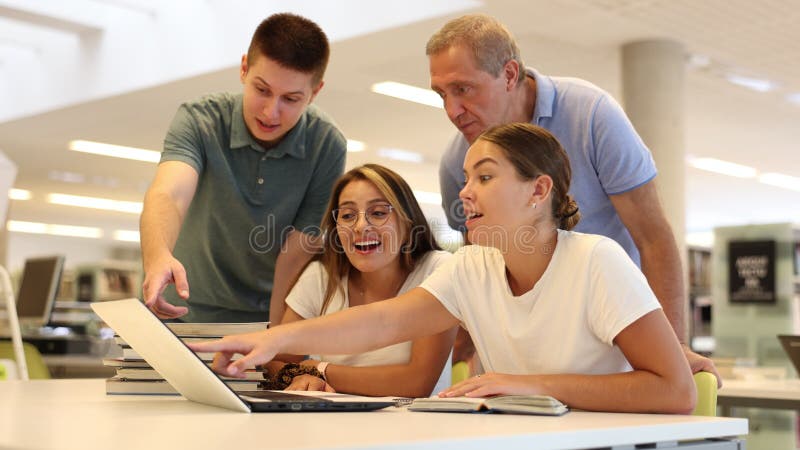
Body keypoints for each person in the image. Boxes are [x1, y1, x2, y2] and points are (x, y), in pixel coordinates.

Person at [191, 123, 696, 414]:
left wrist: (534, 384)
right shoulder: (471, 265)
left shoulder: (597, 261)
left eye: (485, 176)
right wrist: (275, 340)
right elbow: (385, 321)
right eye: (466, 177)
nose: (464, 191)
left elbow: (676, 392)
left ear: (538, 191)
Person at [427, 14, 717, 382]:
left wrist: (673, 348)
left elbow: (653, 237)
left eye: (463, 89)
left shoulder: (592, 115)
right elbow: (479, 261)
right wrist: (466, 346)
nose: (451, 111)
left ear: (510, 75)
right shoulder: (458, 161)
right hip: (527, 346)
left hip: (615, 333)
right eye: (441, 94)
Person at [140, 13, 346, 323]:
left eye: (290, 99)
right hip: (179, 312)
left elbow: (299, 250)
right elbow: (169, 193)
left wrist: (276, 331)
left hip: (263, 316)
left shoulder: (327, 144)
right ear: (244, 69)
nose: (270, 111)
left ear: (314, 93)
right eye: (262, 90)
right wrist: (157, 257)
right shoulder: (200, 120)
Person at [263, 164, 456, 397]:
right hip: (333, 426)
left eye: (378, 213)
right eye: (347, 215)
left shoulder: (438, 270)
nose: (361, 226)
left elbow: (416, 383)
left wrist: (320, 370)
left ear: (407, 221)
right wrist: (304, 375)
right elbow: (275, 362)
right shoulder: (320, 276)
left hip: (414, 427)